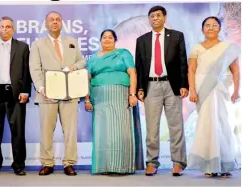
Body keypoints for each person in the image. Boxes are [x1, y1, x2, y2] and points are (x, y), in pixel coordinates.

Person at [29, 11, 86, 176]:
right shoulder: (38, 44)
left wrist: (73, 67)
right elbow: (34, 69)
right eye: (51, 20)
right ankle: (47, 163)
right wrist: (41, 88)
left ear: (62, 23)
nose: (55, 22)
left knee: (70, 131)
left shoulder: (72, 42)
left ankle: (69, 163)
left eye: (58, 20)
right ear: (46, 24)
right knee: (46, 130)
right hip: (47, 93)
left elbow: (82, 61)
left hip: (70, 92)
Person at [135, 5, 189, 176]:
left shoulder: (176, 36)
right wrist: (140, 88)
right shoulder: (142, 40)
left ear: (165, 17)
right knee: (152, 127)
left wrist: (184, 85)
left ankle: (178, 163)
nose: (155, 18)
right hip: (151, 86)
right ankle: (152, 162)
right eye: (152, 16)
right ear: (149, 19)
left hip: (172, 85)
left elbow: (182, 62)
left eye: (158, 15)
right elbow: (139, 65)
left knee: (176, 125)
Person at [188, 16, 240, 178]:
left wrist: (236, 91)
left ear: (219, 28)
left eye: (214, 25)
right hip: (202, 89)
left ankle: (225, 164)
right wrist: (192, 91)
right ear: (202, 29)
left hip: (222, 89)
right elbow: (191, 70)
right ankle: (208, 166)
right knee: (206, 125)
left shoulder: (228, 48)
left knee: (223, 123)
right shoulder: (196, 48)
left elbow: (236, 71)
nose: (211, 28)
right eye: (207, 25)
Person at [84, 29, 142, 175]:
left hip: (120, 95)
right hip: (99, 97)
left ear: (115, 40)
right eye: (104, 37)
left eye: (110, 37)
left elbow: (132, 73)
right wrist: (87, 99)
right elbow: (86, 80)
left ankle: (122, 166)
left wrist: (132, 94)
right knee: (102, 131)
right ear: (100, 40)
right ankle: (104, 166)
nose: (107, 40)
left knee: (120, 129)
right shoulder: (93, 59)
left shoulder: (123, 53)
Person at [0, 16, 31, 176]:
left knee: (18, 131)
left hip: (15, 93)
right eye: (2, 26)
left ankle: (18, 165)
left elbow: (26, 71)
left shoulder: (23, 47)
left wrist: (25, 91)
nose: (5, 29)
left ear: (13, 29)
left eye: (8, 27)